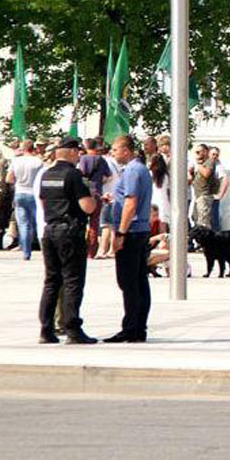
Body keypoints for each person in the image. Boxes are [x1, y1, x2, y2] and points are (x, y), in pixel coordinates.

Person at [37, 137, 98, 344]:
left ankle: (46, 329)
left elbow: (44, 201)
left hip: (50, 230)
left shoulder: (47, 175)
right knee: (73, 281)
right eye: (78, 152)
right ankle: (73, 329)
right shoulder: (74, 175)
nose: (79, 155)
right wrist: (94, 197)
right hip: (69, 232)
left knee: (52, 281)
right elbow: (87, 207)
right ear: (72, 152)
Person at [106, 134, 153, 343]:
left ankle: (132, 327)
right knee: (139, 280)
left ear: (126, 150)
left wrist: (121, 233)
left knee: (129, 281)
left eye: (115, 150)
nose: (113, 154)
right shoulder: (139, 169)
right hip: (139, 230)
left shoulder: (133, 170)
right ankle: (138, 327)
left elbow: (131, 203)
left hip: (132, 232)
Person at [7, 141, 44, 260]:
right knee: (38, 222)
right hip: (34, 192)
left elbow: (9, 179)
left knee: (23, 224)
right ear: (33, 149)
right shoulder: (38, 161)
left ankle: (26, 252)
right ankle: (44, 249)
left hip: (20, 192)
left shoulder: (16, 161)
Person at [78, 137, 112, 258]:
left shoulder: (83, 159)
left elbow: (81, 173)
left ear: (86, 146)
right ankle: (91, 251)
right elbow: (108, 176)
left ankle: (81, 248)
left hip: (84, 193)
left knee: (81, 221)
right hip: (97, 192)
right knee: (94, 222)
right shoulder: (102, 160)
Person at [190, 143, 216, 233]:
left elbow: (206, 174)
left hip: (204, 195)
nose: (197, 155)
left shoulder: (209, 162)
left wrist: (199, 166)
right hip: (197, 195)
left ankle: (206, 242)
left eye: (198, 152)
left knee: (203, 221)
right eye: (196, 152)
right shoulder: (201, 164)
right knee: (195, 217)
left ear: (205, 152)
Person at [149, 151, 171, 234]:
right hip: (164, 201)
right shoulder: (166, 175)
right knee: (163, 226)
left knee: (152, 224)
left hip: (153, 199)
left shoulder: (150, 174)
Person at [209, 146, 229, 231]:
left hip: (212, 197)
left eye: (217, 155)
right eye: (213, 154)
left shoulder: (218, 166)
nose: (215, 156)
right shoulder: (204, 164)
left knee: (214, 220)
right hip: (201, 196)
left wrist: (220, 195)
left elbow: (225, 180)